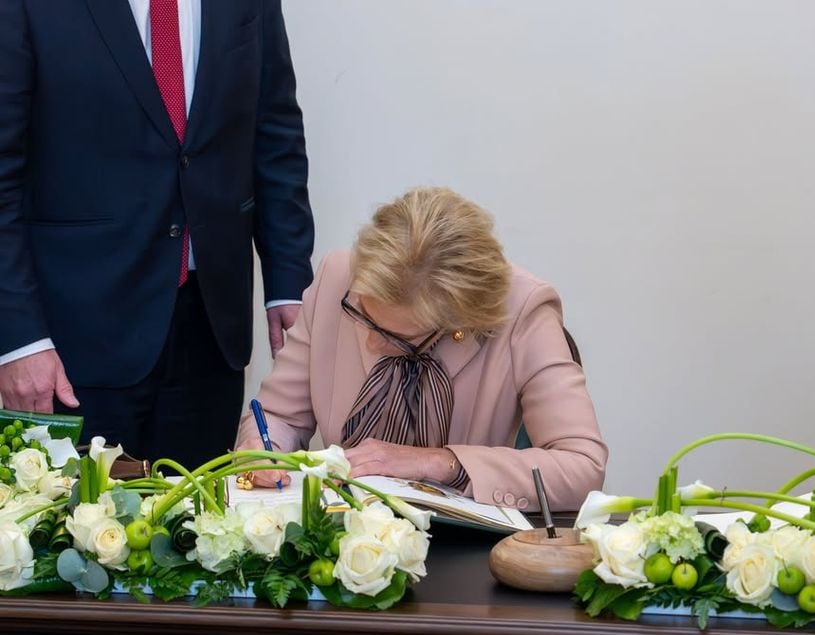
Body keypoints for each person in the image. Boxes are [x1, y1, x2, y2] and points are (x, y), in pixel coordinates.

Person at [0, 1, 314, 468]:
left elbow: (274, 129)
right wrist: (18, 338)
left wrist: (287, 285)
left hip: (211, 333)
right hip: (72, 342)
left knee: (207, 530)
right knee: (78, 534)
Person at [236, 187, 606, 511]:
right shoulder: (338, 278)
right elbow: (279, 416)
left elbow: (581, 466)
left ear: (458, 322)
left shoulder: (523, 309)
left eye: (396, 336)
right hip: (344, 534)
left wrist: (436, 463)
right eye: (363, 315)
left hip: (463, 552)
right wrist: (262, 450)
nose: (370, 342)